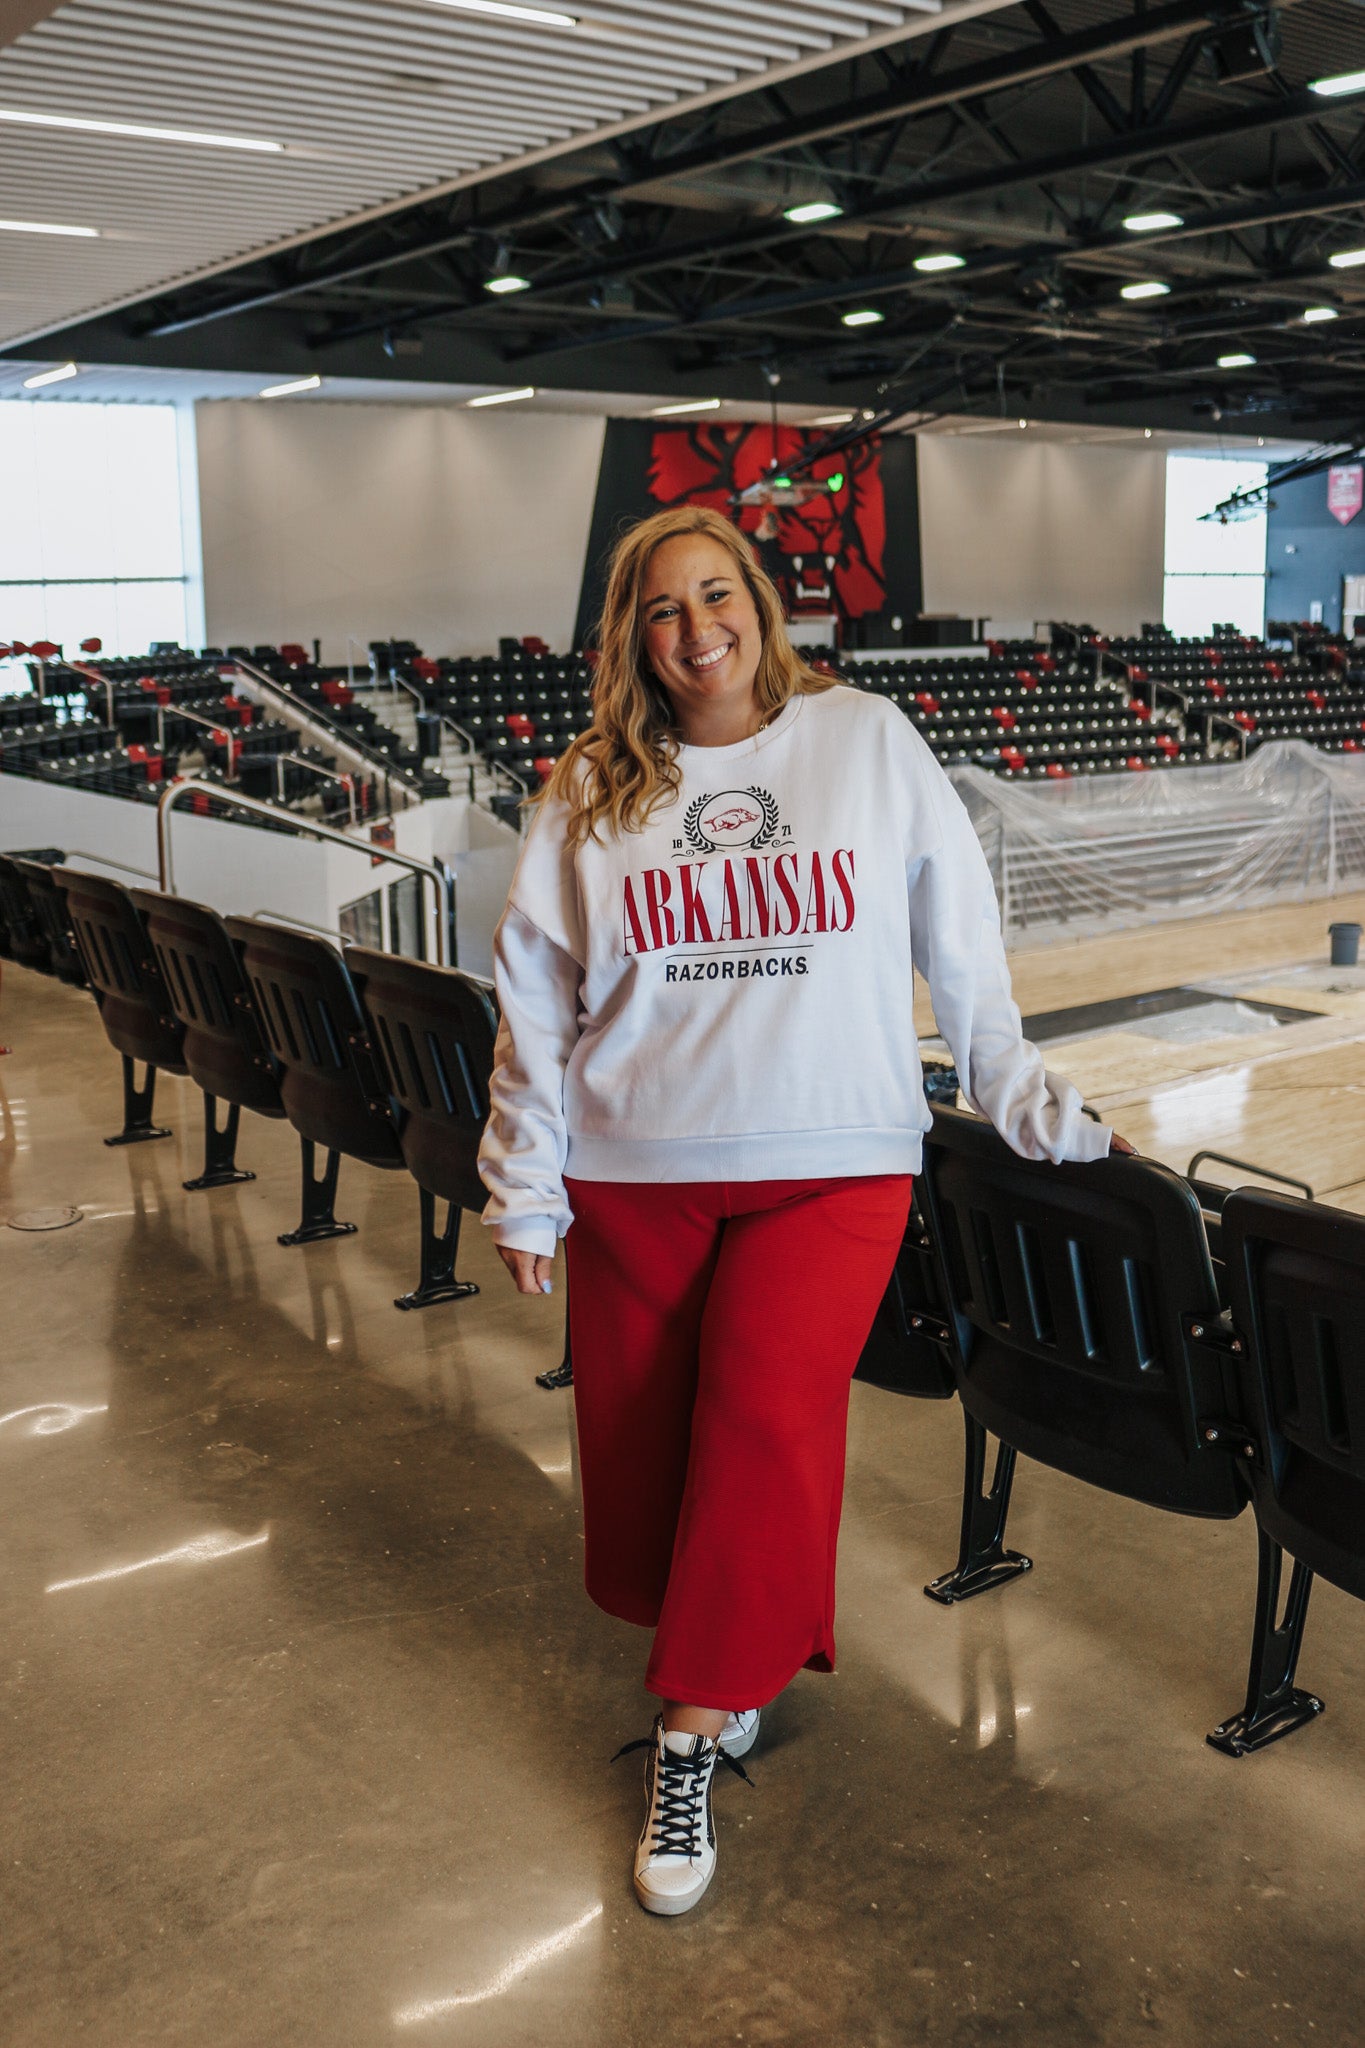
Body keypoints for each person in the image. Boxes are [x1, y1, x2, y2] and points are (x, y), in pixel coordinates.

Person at [477, 503, 1131, 1918]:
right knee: (649, 1455)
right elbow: (534, 997)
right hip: (633, 1164)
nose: (696, 629)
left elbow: (956, 928)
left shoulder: (864, 741)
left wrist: (1015, 1089)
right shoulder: (588, 782)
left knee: (767, 1419)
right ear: (630, 636)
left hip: (834, 1156)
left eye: (716, 595)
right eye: (662, 609)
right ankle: (723, 1666)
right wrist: (523, 1185)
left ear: (759, 604)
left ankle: (689, 1736)